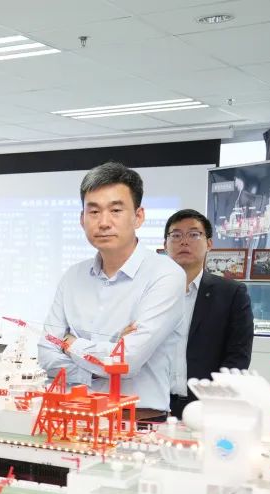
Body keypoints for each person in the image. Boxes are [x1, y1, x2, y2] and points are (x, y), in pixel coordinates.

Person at [38, 162, 183, 421]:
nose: (104, 222)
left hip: (137, 418)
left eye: (116, 210)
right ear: (82, 219)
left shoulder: (165, 275)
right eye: (94, 211)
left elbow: (127, 361)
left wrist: (69, 343)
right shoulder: (73, 276)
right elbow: (46, 353)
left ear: (138, 216)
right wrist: (99, 364)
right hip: (74, 412)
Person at [163, 209, 253, 418]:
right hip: (153, 404)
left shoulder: (232, 293)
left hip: (206, 407)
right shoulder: (149, 293)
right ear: (165, 244)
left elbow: (238, 357)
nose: (184, 241)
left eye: (194, 234)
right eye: (176, 235)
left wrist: (215, 402)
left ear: (209, 243)